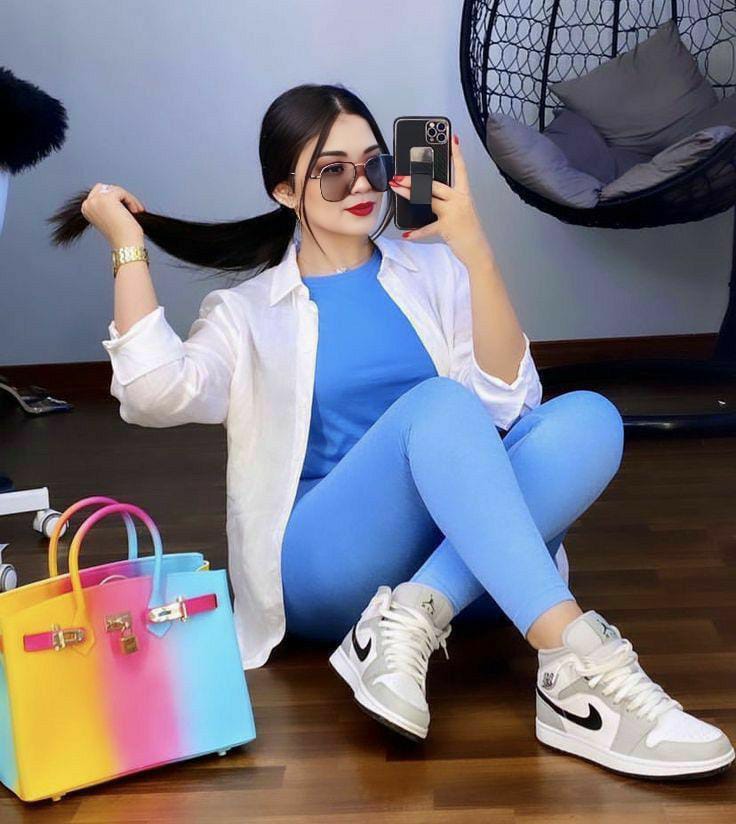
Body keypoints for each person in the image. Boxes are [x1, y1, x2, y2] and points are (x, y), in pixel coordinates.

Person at [49, 82, 733, 780]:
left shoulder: (433, 270)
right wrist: (127, 246)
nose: (361, 185)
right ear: (285, 191)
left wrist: (474, 249)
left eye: (374, 165)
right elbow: (151, 395)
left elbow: (510, 405)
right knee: (437, 406)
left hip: (461, 569)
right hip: (327, 567)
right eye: (332, 171)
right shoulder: (247, 312)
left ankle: (414, 613)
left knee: (589, 417)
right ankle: (575, 663)